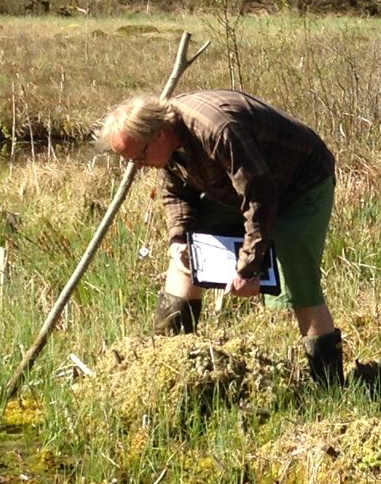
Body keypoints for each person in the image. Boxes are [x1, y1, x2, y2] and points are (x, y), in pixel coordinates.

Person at [96, 88, 346, 383]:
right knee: (189, 257)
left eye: (138, 156)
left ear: (160, 135)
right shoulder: (165, 142)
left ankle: (329, 384)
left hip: (300, 184)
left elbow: (260, 199)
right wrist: (179, 240)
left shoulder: (218, 131)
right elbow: (176, 192)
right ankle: (168, 362)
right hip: (242, 189)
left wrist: (249, 267)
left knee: (297, 280)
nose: (137, 166)